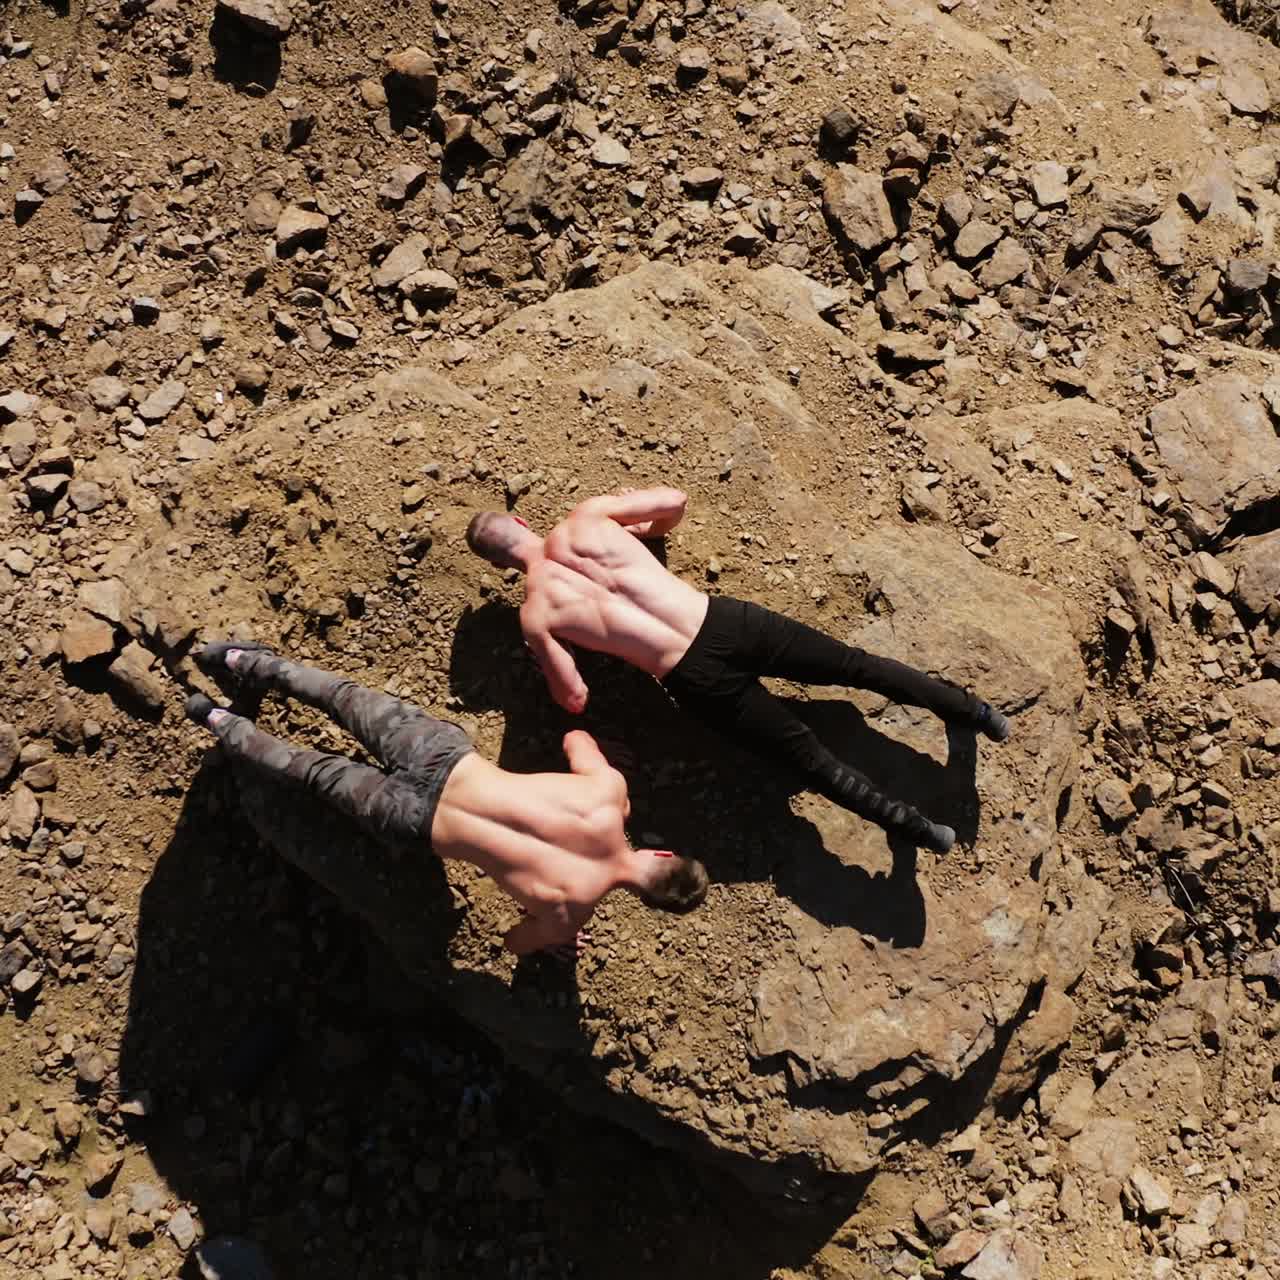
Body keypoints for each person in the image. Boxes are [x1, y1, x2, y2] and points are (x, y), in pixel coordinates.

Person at [465, 490, 1012, 854]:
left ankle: (920, 831)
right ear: (520, 523)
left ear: (499, 563)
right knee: (857, 667)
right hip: (726, 621)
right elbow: (674, 501)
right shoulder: (587, 518)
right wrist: (648, 533)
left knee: (809, 759)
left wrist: (549, 658)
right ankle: (976, 713)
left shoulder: (536, 615)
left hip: (689, 675)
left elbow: (575, 697)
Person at [184, 642, 708, 956]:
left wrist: (606, 771)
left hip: (442, 759)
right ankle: (218, 719)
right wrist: (551, 936)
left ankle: (235, 658)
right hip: (416, 820)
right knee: (311, 771)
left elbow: (576, 740)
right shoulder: (567, 912)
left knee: (343, 698)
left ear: (661, 853)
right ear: (645, 901)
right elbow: (515, 942)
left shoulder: (607, 796)